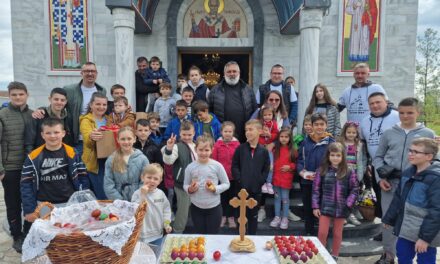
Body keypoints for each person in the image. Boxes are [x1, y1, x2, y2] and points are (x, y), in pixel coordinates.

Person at [372, 97, 435, 264]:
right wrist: (380, 178)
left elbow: (435, 161)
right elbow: (377, 157)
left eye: (410, 113)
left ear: (418, 113)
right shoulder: (388, 132)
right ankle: (388, 255)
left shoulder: (428, 134)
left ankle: (418, 253)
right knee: (388, 220)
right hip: (390, 184)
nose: (405, 116)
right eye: (401, 113)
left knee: (413, 219)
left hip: (415, 185)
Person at [382, 138, 440, 264]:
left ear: (429, 156)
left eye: (416, 152)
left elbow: (437, 211)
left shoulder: (435, 179)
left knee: (425, 260)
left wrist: (425, 239)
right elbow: (398, 197)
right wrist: (390, 218)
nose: (410, 154)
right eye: (410, 150)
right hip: (406, 228)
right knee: (402, 254)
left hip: (425, 231)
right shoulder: (408, 173)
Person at [21, 118, 89, 224]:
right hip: (43, 205)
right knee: (48, 236)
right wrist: (29, 210)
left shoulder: (72, 153)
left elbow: (83, 177)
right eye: (48, 133)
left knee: (69, 234)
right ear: (42, 135)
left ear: (63, 133)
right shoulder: (33, 156)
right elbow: (26, 184)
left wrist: (83, 201)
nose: (52, 136)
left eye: (56, 132)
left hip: (69, 202)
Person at [0, 82, 33, 252]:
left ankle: (28, 231)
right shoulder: (3, 115)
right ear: (9, 96)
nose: (18, 97)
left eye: (21, 94)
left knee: (29, 201)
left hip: (29, 167)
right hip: (10, 168)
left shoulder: (33, 114)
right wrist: (1, 170)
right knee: (13, 204)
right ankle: (17, 235)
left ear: (27, 94)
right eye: (14, 95)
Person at [312, 142, 359, 261]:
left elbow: (355, 189)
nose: (335, 158)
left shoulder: (349, 171)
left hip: (341, 208)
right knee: (322, 233)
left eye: (338, 155)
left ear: (342, 156)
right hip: (325, 207)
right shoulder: (321, 170)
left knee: (337, 233)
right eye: (332, 155)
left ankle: (335, 255)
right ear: (328, 156)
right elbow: (316, 189)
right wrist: (315, 206)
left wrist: (348, 204)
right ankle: (321, 254)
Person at [297, 113, 335, 235]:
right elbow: (300, 160)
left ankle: (323, 236)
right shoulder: (305, 142)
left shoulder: (331, 143)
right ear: (312, 126)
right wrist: (303, 173)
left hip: (325, 182)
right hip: (307, 182)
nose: (319, 127)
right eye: (316, 124)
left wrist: (326, 174)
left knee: (323, 209)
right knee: (308, 208)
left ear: (326, 125)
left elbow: (336, 162)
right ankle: (309, 233)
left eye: (322, 124)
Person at [184, 135, 230, 234]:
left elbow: (226, 183)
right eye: (200, 150)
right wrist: (190, 189)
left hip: (214, 208)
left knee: (213, 236)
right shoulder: (190, 167)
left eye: (206, 150)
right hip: (196, 208)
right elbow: (185, 185)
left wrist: (215, 188)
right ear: (196, 149)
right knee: (200, 236)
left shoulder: (217, 166)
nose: (203, 153)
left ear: (212, 150)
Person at [231, 120, 270, 235]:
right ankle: (240, 237)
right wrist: (239, 179)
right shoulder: (240, 149)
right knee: (240, 216)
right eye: (246, 130)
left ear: (260, 131)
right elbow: (235, 165)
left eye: (250, 129)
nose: (247, 132)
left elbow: (266, 168)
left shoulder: (263, 151)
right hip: (240, 189)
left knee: (253, 216)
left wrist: (260, 181)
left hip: (255, 190)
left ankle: (252, 238)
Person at [161, 121, 197, 233]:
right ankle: (177, 231)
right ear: (180, 134)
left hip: (195, 183)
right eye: (184, 135)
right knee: (183, 210)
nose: (187, 137)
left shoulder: (196, 145)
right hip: (182, 184)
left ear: (194, 133)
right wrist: (169, 148)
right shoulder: (177, 146)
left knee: (193, 207)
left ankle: (191, 229)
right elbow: (168, 160)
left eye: (189, 135)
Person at [64, 62, 107, 155]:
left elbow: (104, 108)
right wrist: (42, 109)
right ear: (81, 73)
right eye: (87, 71)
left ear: (96, 73)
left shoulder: (102, 90)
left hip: (99, 138)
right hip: (78, 139)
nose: (90, 74)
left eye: (93, 71)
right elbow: (57, 103)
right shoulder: (69, 90)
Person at [209, 61, 257, 143]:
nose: (232, 74)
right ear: (224, 73)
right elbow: (210, 112)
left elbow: (255, 110)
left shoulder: (248, 89)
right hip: (223, 133)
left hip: (244, 133)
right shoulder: (215, 90)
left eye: (234, 71)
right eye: (229, 71)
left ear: (239, 73)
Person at [104, 127, 149, 201]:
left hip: (137, 200)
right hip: (118, 202)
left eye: (129, 139)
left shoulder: (143, 159)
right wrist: (119, 201)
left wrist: (137, 198)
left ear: (134, 139)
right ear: (118, 140)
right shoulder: (111, 160)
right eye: (123, 139)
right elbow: (108, 184)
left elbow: (145, 182)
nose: (126, 142)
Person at [131, 163, 172, 246]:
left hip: (157, 235)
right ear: (142, 177)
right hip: (141, 235)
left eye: (155, 178)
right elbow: (135, 212)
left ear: (160, 181)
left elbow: (166, 210)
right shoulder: (137, 194)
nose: (152, 180)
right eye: (149, 177)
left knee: (156, 255)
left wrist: (166, 223)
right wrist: (143, 195)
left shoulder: (161, 194)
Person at [80, 92, 110, 200]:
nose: (101, 107)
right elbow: (87, 140)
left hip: (110, 161)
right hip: (95, 163)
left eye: (104, 104)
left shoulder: (109, 119)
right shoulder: (86, 120)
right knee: (102, 194)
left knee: (109, 192)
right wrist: (92, 137)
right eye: (98, 104)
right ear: (91, 105)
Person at [25, 87, 73, 152]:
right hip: (41, 156)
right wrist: (31, 158)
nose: (59, 102)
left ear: (66, 102)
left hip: (61, 156)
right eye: (56, 99)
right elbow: (29, 142)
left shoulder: (68, 118)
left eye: (62, 100)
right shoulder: (39, 116)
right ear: (50, 99)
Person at [338, 121, 367, 226]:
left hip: (355, 173)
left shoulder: (360, 144)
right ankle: (343, 215)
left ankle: (350, 213)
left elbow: (363, 159)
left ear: (357, 133)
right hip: (343, 173)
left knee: (353, 195)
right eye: (349, 132)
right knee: (342, 194)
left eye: (353, 132)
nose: (351, 134)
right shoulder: (340, 143)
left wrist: (361, 172)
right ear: (345, 132)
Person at [212, 121, 240, 228]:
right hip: (221, 178)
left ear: (233, 132)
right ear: (221, 132)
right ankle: (223, 217)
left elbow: (239, 160)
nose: (228, 133)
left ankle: (231, 217)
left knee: (232, 197)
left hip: (233, 177)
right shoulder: (217, 145)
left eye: (230, 131)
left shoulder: (237, 145)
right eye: (225, 131)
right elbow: (214, 160)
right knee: (222, 198)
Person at [269, 128, 297, 230]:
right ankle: (277, 217)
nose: (284, 139)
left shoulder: (293, 150)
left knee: (285, 199)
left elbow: (296, 164)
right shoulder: (275, 149)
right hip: (276, 179)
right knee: (277, 199)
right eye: (282, 136)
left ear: (290, 138)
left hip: (286, 180)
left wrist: (290, 167)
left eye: (286, 137)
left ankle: (285, 217)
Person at [258, 104, 279, 195]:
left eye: (269, 115)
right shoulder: (259, 123)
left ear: (273, 115)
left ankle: (269, 182)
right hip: (261, 147)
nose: (267, 117)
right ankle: (262, 182)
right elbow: (256, 133)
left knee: (270, 166)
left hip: (269, 148)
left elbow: (276, 134)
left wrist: (270, 135)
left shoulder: (274, 123)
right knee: (261, 165)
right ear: (262, 115)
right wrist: (261, 133)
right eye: (265, 115)